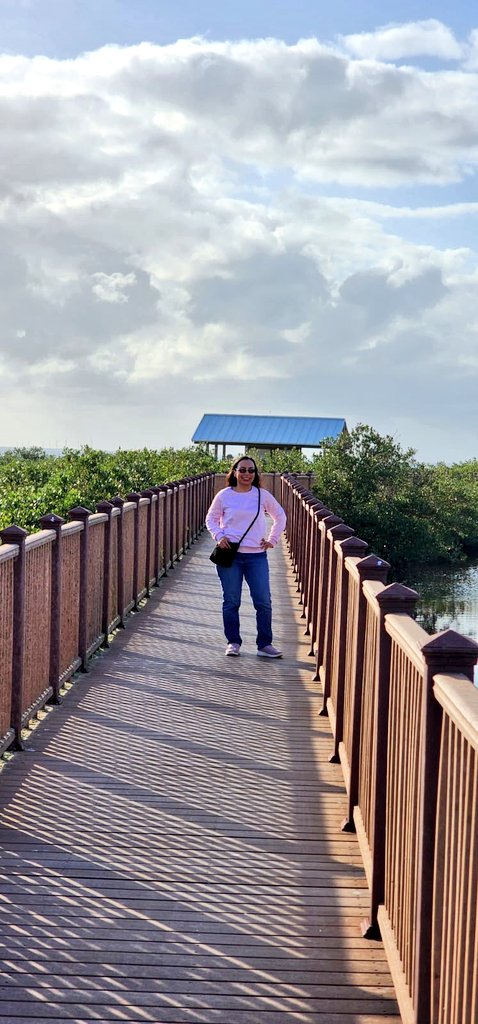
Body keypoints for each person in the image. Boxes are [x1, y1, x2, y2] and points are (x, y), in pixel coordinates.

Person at [205, 456, 286, 657]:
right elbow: (211, 519)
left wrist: (272, 540)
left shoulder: (262, 495)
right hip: (230, 556)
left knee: (263, 601)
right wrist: (219, 536)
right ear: (234, 472)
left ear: (255, 473)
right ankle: (233, 642)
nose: (247, 474)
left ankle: (264, 645)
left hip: (257, 557)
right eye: (243, 470)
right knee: (231, 601)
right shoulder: (224, 496)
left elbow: (280, 516)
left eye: (251, 471)